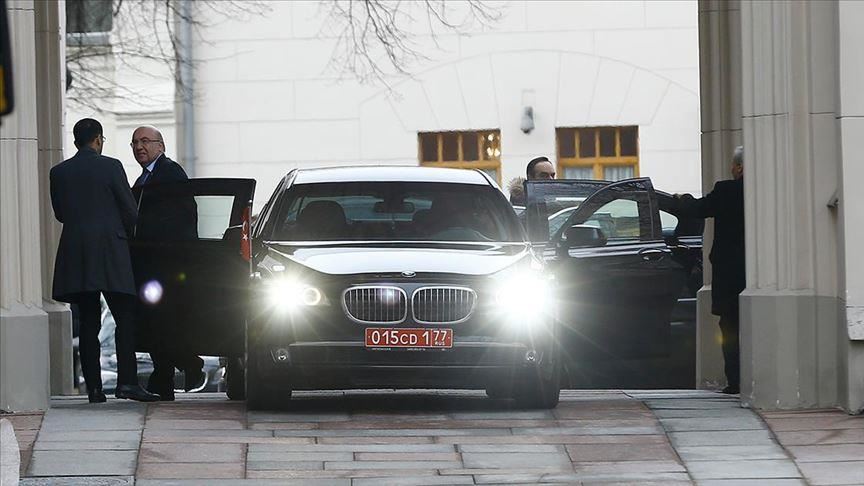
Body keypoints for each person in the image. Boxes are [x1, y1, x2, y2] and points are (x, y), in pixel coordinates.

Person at [50, 118, 159, 403]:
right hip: (111, 250)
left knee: (89, 321)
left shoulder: (58, 172)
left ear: (76, 141)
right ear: (98, 139)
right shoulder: (111, 166)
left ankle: (95, 389)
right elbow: (130, 210)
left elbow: (60, 213)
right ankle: (127, 383)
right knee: (125, 316)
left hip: (77, 254)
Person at [130, 125, 203, 401]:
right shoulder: (143, 179)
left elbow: (181, 217)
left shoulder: (170, 173)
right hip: (147, 264)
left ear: (160, 146)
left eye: (145, 141)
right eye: (134, 142)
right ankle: (167, 376)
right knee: (155, 322)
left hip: (167, 264)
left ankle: (181, 367)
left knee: (163, 322)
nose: (139, 147)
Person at [675, 146, 745, 394]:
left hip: (730, 272)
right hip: (757, 271)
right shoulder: (769, 191)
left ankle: (735, 380)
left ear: (738, 167)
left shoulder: (726, 190)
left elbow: (698, 209)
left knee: (730, 327)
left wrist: (681, 199)